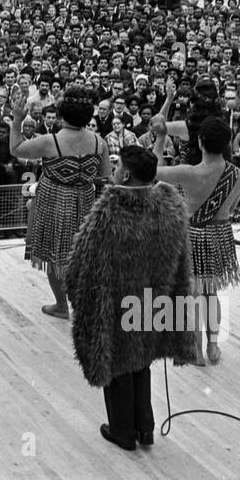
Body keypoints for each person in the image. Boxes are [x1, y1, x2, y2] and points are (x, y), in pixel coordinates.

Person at [65, 146, 195, 451]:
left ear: (125, 174)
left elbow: (81, 262)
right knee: (143, 360)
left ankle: (123, 431)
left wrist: (78, 297)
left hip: (117, 302)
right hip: (155, 297)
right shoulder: (170, 207)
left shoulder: (109, 211)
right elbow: (182, 262)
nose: (113, 170)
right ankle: (145, 428)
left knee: (119, 364)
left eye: (116, 166)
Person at [151, 116, 240, 366]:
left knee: (191, 294)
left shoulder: (188, 172)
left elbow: (151, 170)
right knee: (211, 293)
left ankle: (197, 349)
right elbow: (233, 206)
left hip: (193, 236)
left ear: (201, 142)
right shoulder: (238, 175)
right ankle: (213, 346)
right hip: (220, 235)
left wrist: (161, 138)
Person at [11, 85, 107, 319]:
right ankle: (82, 305)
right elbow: (105, 174)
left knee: (55, 255)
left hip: (53, 198)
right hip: (84, 199)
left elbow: (15, 149)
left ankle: (63, 306)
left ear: (62, 115)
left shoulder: (49, 141)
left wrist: (16, 120)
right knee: (81, 255)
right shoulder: (98, 142)